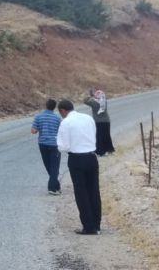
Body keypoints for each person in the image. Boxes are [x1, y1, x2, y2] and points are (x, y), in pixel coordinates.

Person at [56, 99, 101, 235]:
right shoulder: (88, 118)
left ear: (62, 111)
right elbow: (94, 135)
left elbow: (64, 146)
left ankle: (88, 226)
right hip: (92, 157)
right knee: (94, 191)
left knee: (81, 193)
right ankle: (97, 223)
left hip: (76, 159)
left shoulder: (66, 122)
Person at [32, 98, 62, 195]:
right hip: (54, 144)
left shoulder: (38, 117)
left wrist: (40, 129)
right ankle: (53, 188)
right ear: (54, 107)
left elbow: (33, 131)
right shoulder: (57, 118)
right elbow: (61, 131)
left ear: (46, 105)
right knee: (55, 167)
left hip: (43, 144)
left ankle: (55, 186)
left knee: (48, 166)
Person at [84, 89, 115, 156]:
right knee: (107, 135)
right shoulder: (104, 101)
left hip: (97, 121)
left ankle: (101, 152)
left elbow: (85, 101)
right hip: (106, 121)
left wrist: (91, 96)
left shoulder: (93, 102)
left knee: (99, 136)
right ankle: (109, 150)